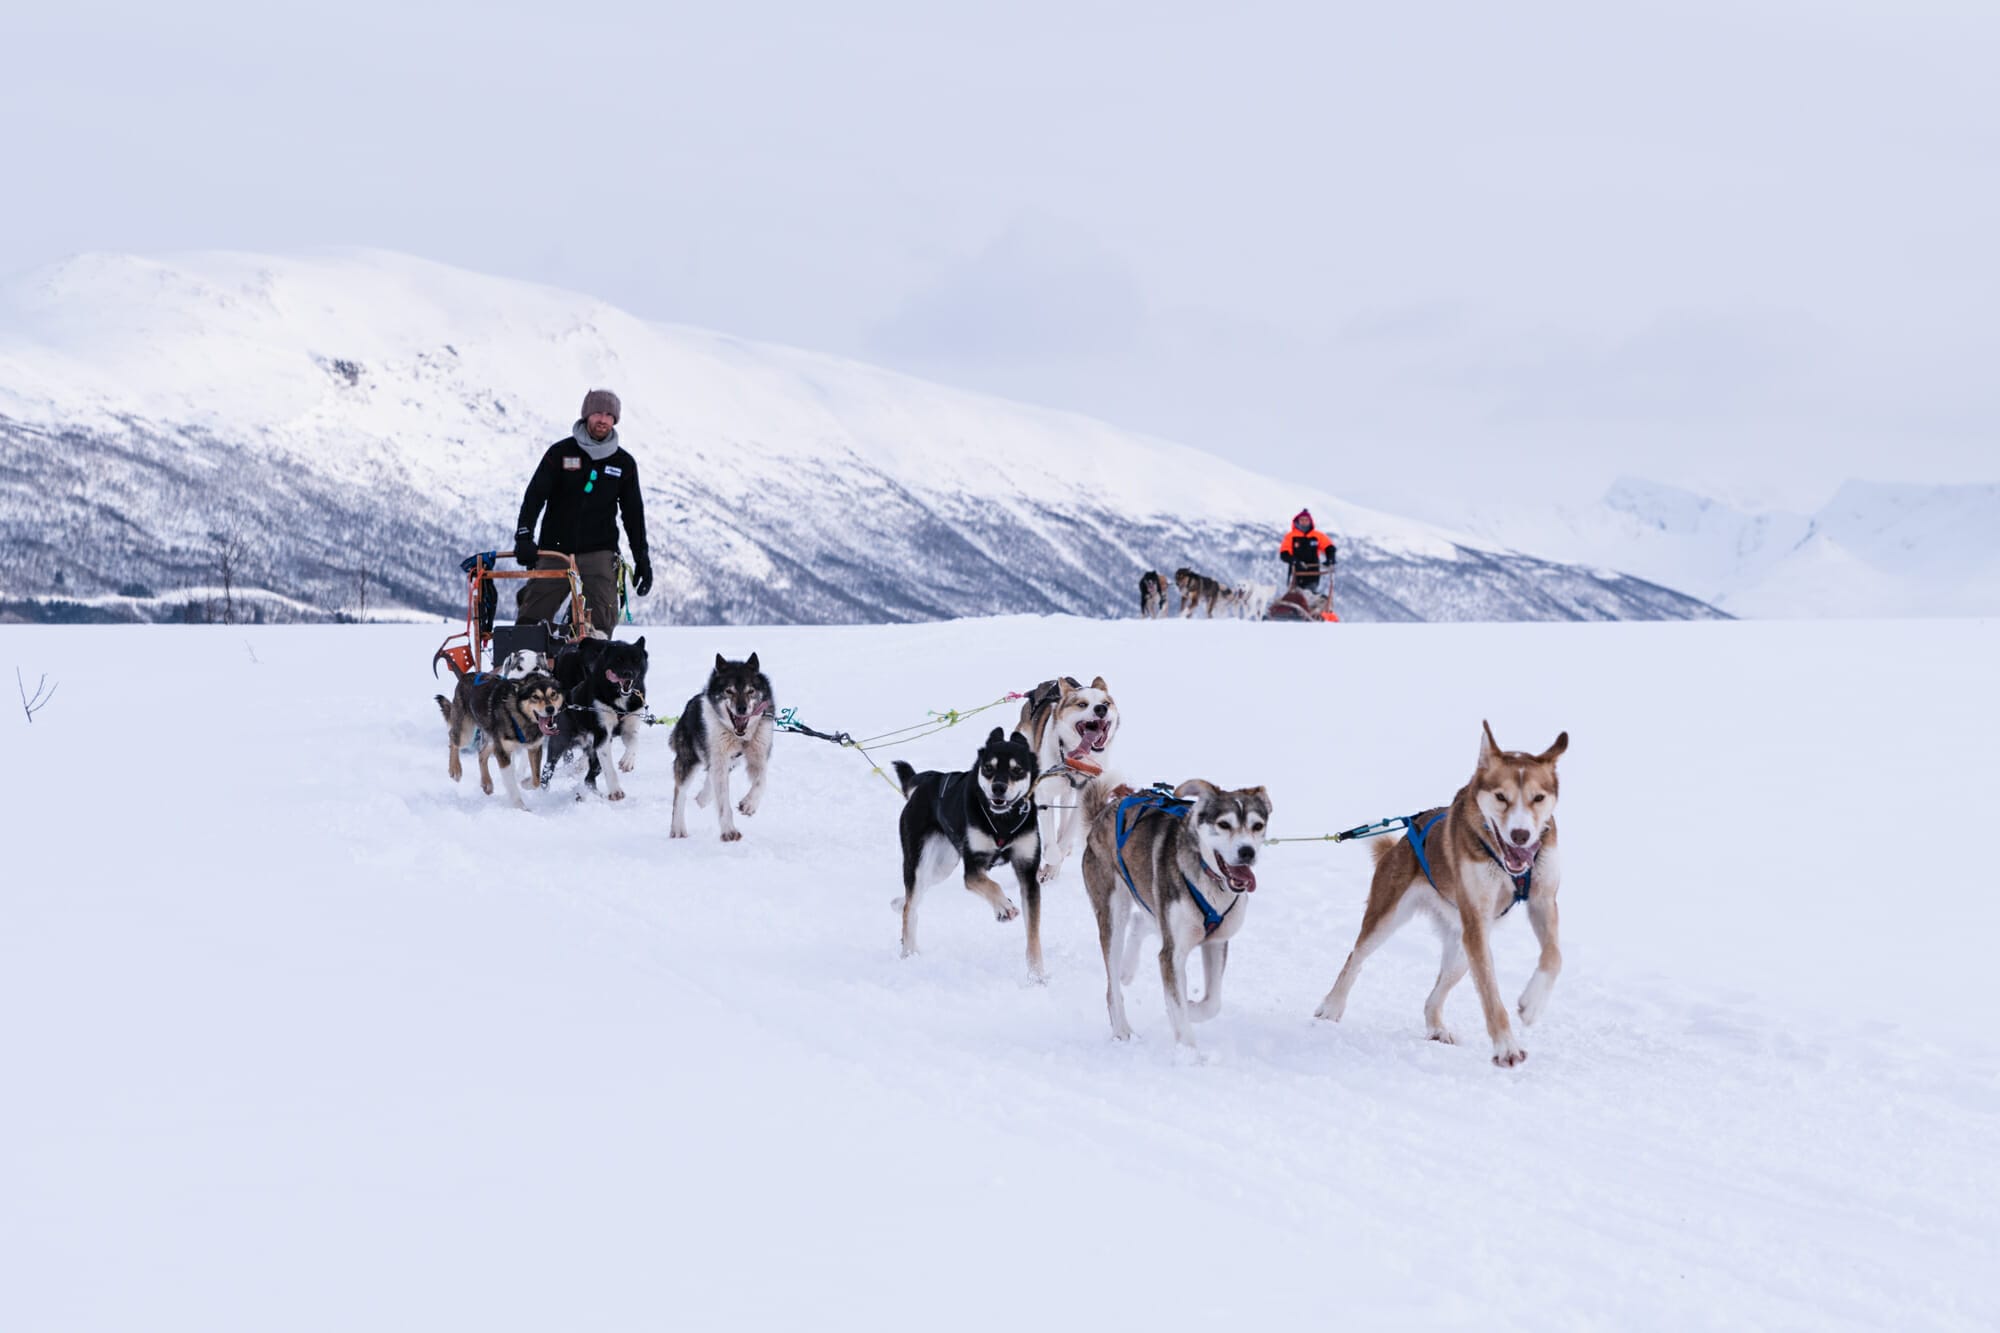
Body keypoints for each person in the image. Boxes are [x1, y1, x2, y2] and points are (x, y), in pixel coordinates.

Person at [513, 388, 652, 633]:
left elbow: (633, 515)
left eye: (610, 415)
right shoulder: (560, 453)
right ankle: (523, 665)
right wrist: (524, 537)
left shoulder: (623, 464)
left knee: (599, 623)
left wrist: (642, 558)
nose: (603, 419)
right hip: (554, 551)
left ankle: (590, 669)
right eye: (598, 412)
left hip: (600, 554)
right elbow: (534, 497)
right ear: (586, 415)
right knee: (531, 618)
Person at [1278, 508, 1335, 592]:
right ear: (1297, 521)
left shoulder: (1317, 536)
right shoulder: (1290, 536)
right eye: (1302, 520)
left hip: (1313, 572)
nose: (1304, 522)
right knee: (1293, 595)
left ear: (1310, 521)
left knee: (1309, 596)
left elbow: (1329, 547)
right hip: (1295, 572)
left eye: (1306, 520)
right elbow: (1284, 553)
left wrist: (1330, 559)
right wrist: (1294, 561)